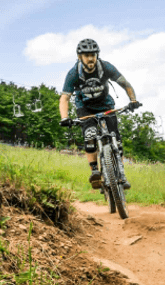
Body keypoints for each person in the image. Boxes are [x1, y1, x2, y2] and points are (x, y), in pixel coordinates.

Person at [59, 39, 141, 189]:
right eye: (86, 55)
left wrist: (133, 100)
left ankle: (121, 175)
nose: (90, 58)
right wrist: (64, 118)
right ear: (80, 57)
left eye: (92, 55)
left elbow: (125, 84)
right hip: (85, 108)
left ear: (97, 55)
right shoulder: (73, 74)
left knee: (116, 139)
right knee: (89, 136)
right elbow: (65, 97)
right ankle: (95, 171)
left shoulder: (106, 67)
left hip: (106, 106)